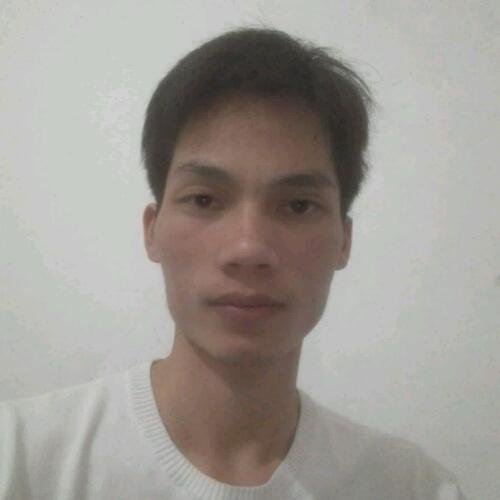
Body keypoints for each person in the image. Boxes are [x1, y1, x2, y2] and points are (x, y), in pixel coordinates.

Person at [0, 28, 466, 500]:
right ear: (152, 230)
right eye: (204, 199)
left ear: (343, 241)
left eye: (298, 205)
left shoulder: (414, 488)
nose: (248, 248)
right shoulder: (20, 457)